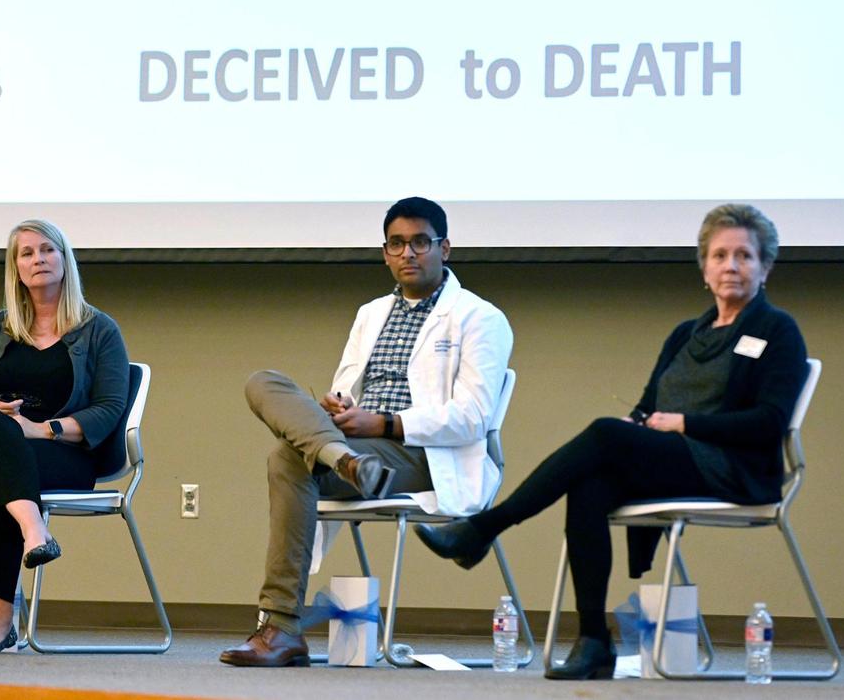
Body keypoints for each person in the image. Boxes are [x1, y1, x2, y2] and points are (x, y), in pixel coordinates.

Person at [415, 203, 808, 680]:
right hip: (679, 461)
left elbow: (769, 422)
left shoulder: (776, 330)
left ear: (765, 267)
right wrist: (639, 423)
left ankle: (484, 528)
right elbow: (648, 407)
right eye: (720, 255)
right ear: (704, 267)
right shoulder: (688, 334)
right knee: (591, 484)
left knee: (604, 434)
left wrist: (683, 424)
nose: (731, 266)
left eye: (744, 256)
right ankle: (594, 641)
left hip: (735, 469)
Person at [219, 197, 514, 667]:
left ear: (446, 248)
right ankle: (344, 460)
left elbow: (474, 415)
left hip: (424, 456)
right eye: (397, 244)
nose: (409, 254)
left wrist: (386, 424)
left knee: (285, 456)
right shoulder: (371, 313)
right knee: (264, 382)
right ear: (385, 253)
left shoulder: (480, 318)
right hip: (360, 451)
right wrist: (340, 406)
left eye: (421, 242)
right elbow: (346, 386)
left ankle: (280, 626)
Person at [0, 219, 129, 654]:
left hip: (60, 452)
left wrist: (40, 428)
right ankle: (35, 531)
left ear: (64, 260)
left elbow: (108, 409)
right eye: (27, 253)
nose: (38, 259)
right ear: (16, 268)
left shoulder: (98, 330)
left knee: (3, 474)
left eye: (48, 250)